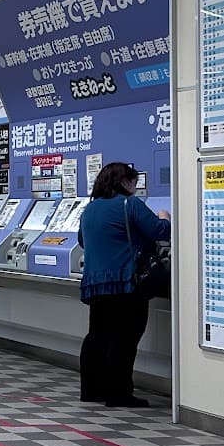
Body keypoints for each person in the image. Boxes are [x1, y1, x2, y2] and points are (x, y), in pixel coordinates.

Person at [78, 161, 170, 408]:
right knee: (125, 339)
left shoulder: (90, 208)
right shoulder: (130, 204)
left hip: (96, 284)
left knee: (97, 336)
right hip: (126, 282)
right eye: (133, 182)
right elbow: (159, 231)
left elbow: (82, 241)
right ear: (124, 182)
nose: (136, 187)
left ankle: (91, 389)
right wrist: (165, 218)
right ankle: (118, 393)